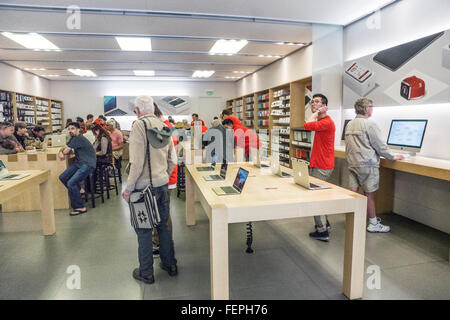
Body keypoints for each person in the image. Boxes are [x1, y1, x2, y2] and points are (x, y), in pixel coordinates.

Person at [122, 96, 178, 284]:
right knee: (163, 225)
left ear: (137, 110)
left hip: (142, 188)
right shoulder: (164, 125)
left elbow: (136, 162)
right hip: (161, 184)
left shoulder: (139, 126)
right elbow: (173, 160)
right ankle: (170, 264)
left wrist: (128, 188)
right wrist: (163, 174)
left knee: (144, 230)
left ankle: (146, 272)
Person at [345, 98, 404, 233]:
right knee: (369, 194)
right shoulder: (370, 124)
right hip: (367, 164)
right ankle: (373, 223)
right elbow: (380, 146)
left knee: (352, 193)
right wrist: (393, 157)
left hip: (353, 164)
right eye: (371, 106)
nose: (372, 109)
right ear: (366, 109)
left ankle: (351, 220)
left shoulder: (350, 124)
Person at [302, 94, 336, 242]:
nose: (313, 105)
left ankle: (322, 231)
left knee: (316, 196)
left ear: (324, 106)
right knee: (320, 195)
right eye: (312, 102)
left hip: (323, 166)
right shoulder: (322, 121)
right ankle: (324, 223)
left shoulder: (326, 122)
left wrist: (315, 113)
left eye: (317, 102)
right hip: (318, 163)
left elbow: (307, 125)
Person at [152, 103, 178, 257]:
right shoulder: (167, 127)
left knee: (163, 213)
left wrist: (164, 176)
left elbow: (171, 159)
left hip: (165, 179)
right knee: (162, 212)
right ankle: (163, 243)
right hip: (166, 177)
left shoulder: (163, 129)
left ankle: (163, 244)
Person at [58, 122, 96, 216]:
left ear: (78, 130)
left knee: (71, 183)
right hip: (80, 163)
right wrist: (60, 151)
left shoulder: (78, 138)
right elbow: (64, 148)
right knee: (63, 177)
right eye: (69, 129)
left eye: (73, 129)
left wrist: (61, 152)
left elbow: (66, 151)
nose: (70, 131)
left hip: (87, 164)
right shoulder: (74, 138)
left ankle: (80, 207)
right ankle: (79, 190)